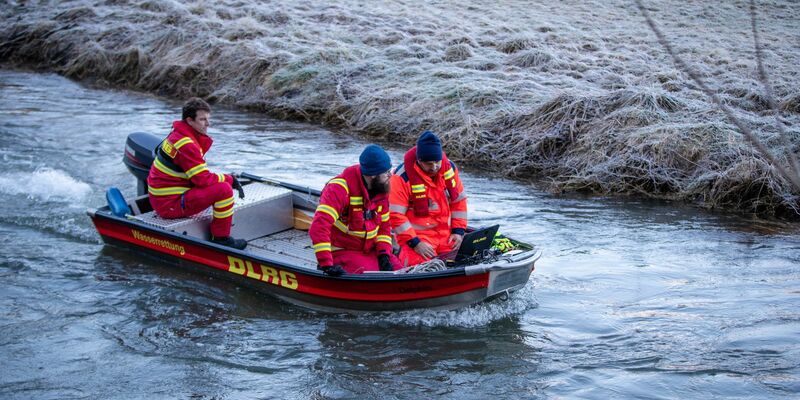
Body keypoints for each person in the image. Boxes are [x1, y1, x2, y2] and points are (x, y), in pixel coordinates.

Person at [146, 97, 247, 249]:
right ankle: (221, 239)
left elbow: (197, 175)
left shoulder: (177, 134)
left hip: (163, 197)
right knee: (224, 190)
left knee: (218, 184)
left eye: (208, 119)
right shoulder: (187, 144)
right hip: (169, 204)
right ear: (189, 120)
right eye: (203, 119)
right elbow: (202, 179)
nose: (208, 124)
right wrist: (229, 179)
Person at [309, 144, 401, 276]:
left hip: (369, 249)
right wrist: (326, 264)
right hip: (342, 250)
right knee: (370, 276)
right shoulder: (339, 189)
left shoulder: (380, 190)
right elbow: (318, 227)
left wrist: (383, 255)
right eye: (386, 172)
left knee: (398, 270)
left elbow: (384, 228)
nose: (390, 175)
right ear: (373, 175)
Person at [389, 131, 468, 266]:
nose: (434, 167)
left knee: (466, 259)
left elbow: (459, 202)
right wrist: (415, 243)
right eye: (429, 163)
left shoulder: (450, 169)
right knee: (418, 267)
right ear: (419, 161)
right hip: (417, 238)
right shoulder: (401, 178)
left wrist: (458, 231)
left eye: (437, 162)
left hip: (446, 236)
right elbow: (395, 215)